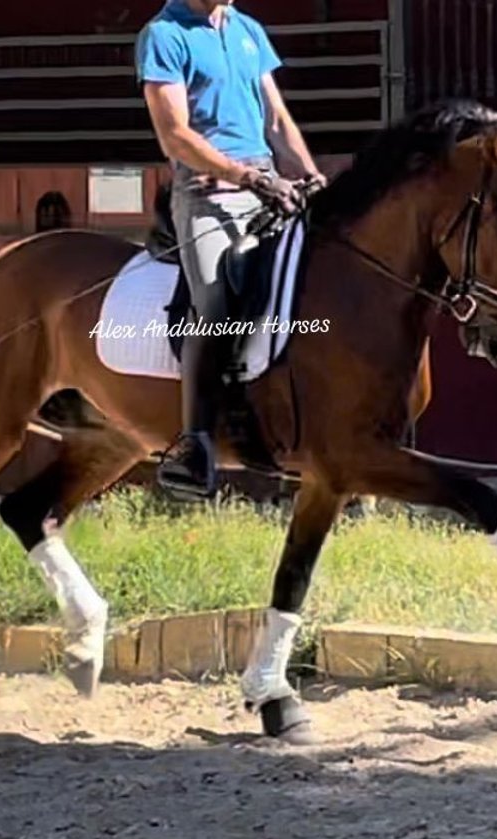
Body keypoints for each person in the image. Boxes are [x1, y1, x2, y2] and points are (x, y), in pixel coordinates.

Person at [136, 0, 325, 499]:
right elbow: (174, 133)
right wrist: (245, 177)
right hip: (205, 194)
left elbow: (278, 121)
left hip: (266, 180)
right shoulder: (165, 34)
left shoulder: (248, 30)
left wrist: (309, 176)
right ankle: (193, 444)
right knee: (216, 305)